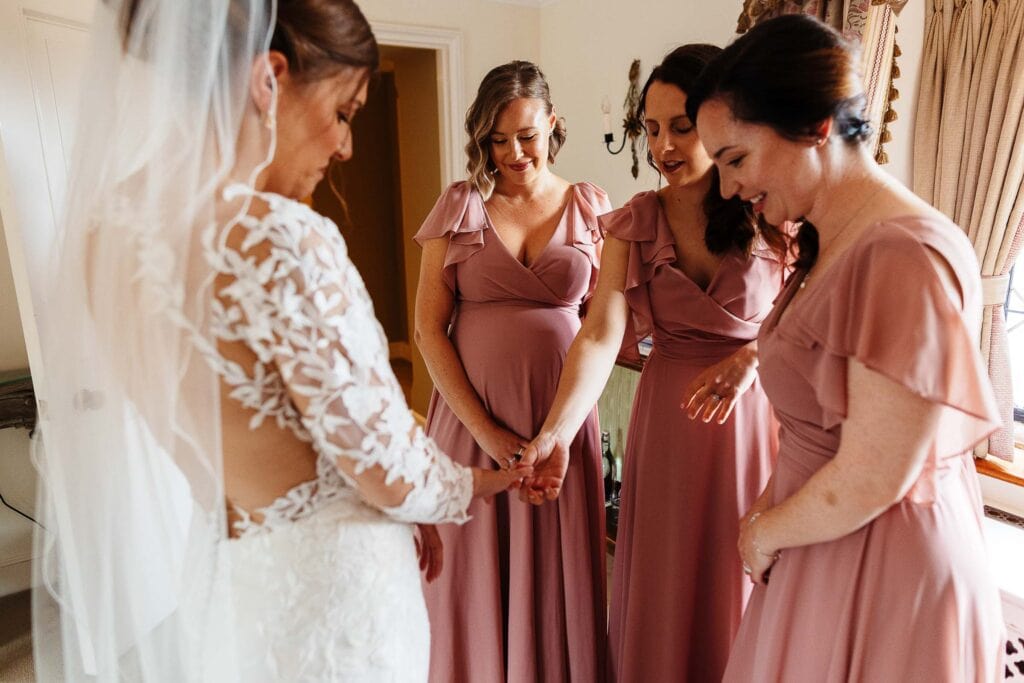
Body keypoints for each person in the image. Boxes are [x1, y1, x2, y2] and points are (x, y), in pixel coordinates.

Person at [31, 1, 526, 680]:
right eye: (345, 112)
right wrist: (478, 481)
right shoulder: (281, 238)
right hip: (335, 599)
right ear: (270, 78)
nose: (345, 145)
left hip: (227, 586)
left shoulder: (102, 239)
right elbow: (387, 467)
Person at [686, 14, 1005, 681]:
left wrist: (763, 532)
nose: (727, 188)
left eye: (736, 158)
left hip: (886, 570)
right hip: (818, 548)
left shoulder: (903, 252)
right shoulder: (828, 241)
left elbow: (875, 473)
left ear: (816, 126)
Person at [522, 45, 788, 682]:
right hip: (668, 424)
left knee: (742, 580)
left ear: (724, 120)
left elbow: (818, 320)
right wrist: (554, 432)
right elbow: (598, 334)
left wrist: (754, 354)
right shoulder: (635, 220)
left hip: (753, 423)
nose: (663, 145)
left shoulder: (774, 208)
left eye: (681, 126)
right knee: (664, 589)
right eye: (651, 128)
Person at [414, 61, 611, 682]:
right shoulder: (461, 207)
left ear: (551, 123)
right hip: (471, 423)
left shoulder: (590, 207)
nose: (514, 153)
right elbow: (427, 330)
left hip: (564, 421)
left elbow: (608, 323)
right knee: (473, 575)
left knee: (559, 573)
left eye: (526, 135)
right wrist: (488, 436)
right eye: (498, 141)